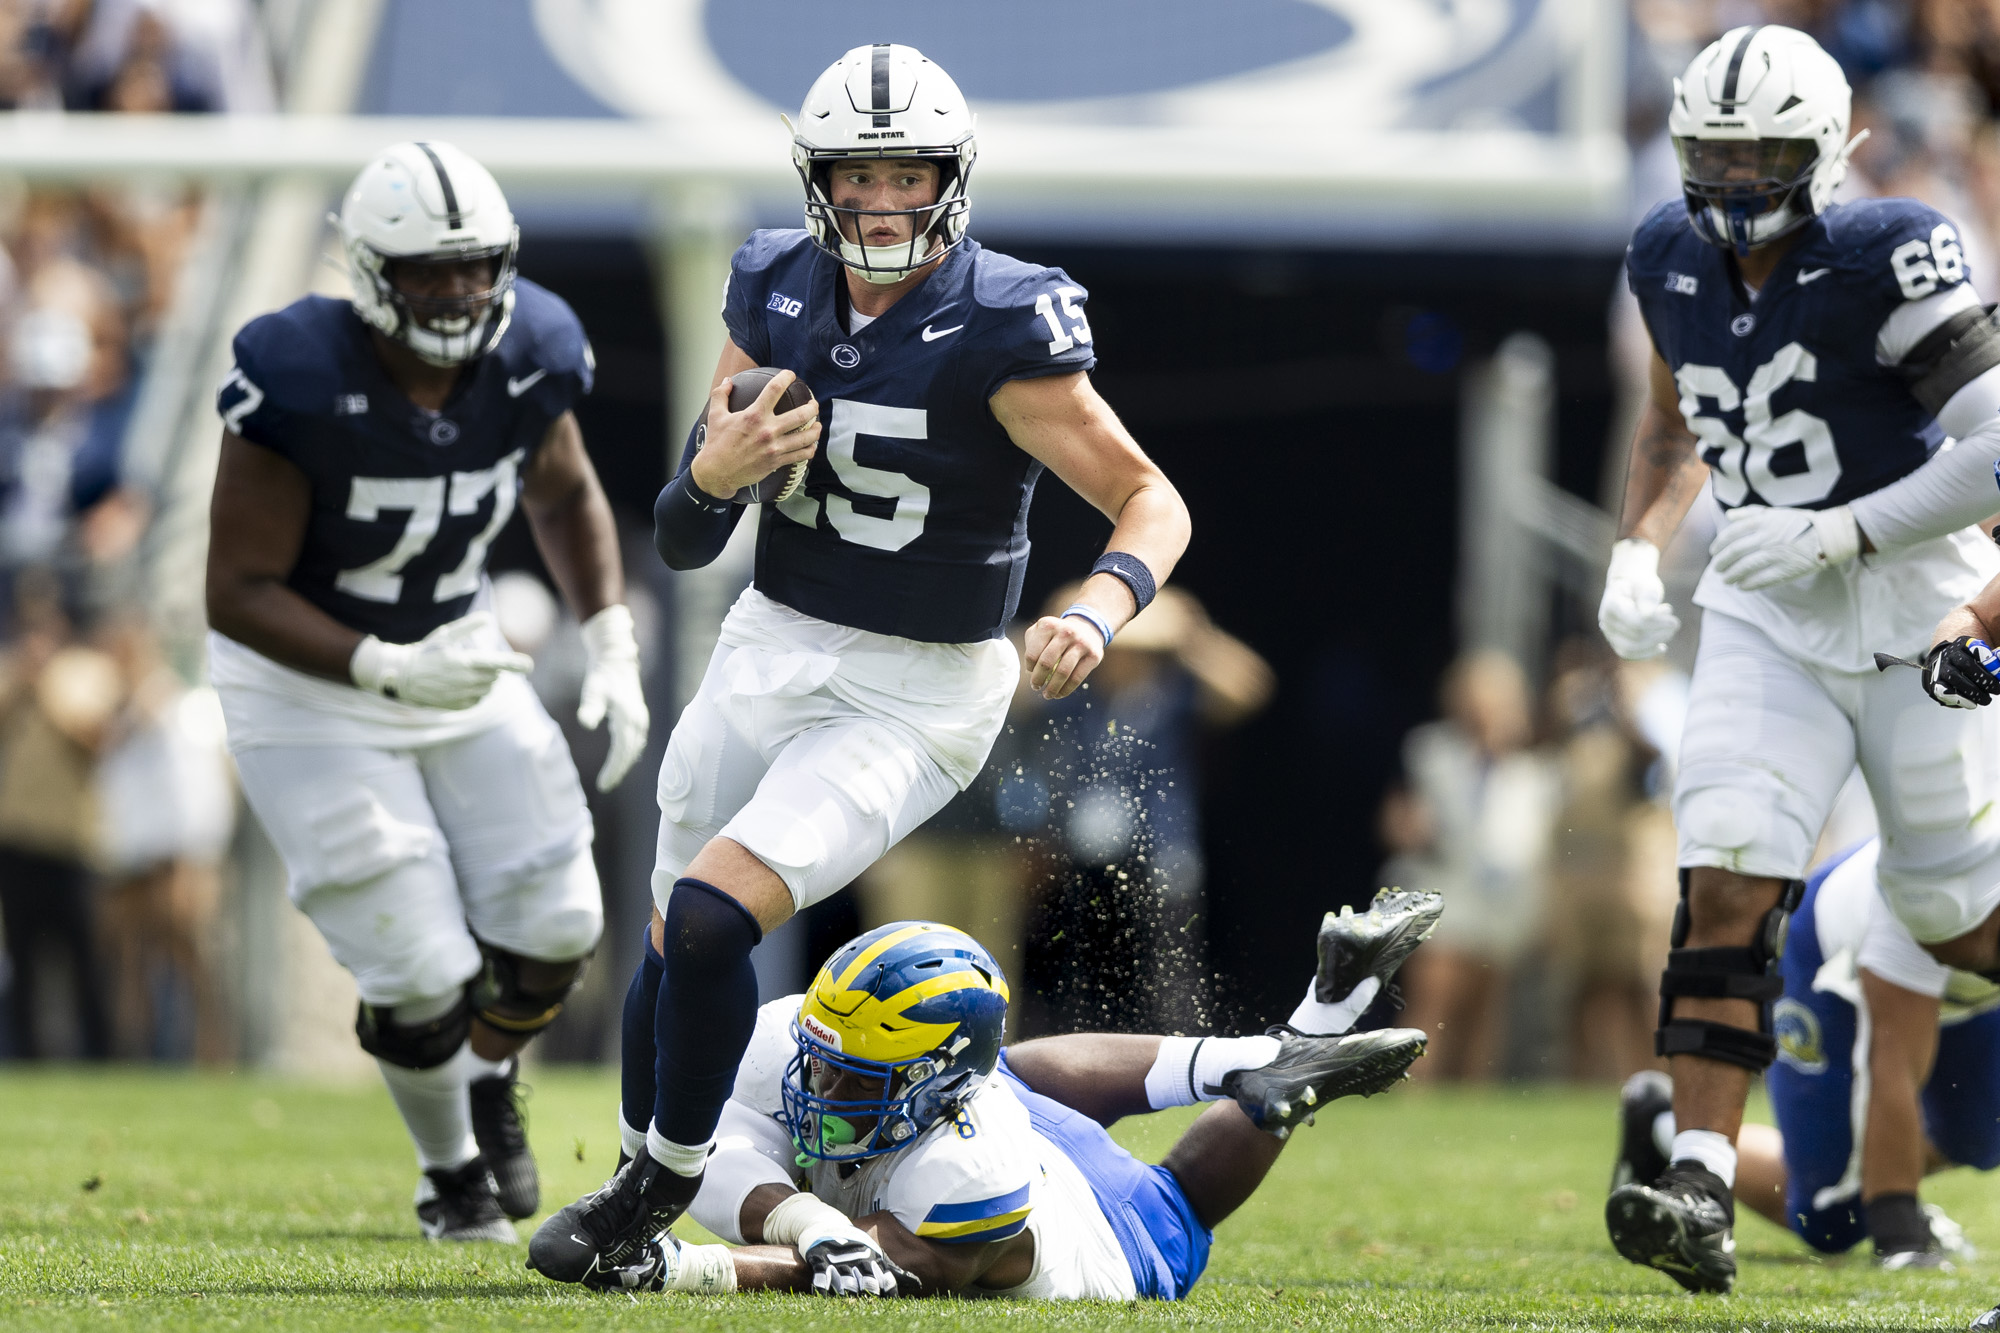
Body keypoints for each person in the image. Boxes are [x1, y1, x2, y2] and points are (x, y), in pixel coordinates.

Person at [528, 43, 1192, 1282]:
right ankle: (639, 1176)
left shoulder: (1003, 317)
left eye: (908, 171)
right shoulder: (774, 286)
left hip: (921, 682)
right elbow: (680, 535)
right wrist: (711, 478)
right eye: (857, 171)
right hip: (773, 638)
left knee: (722, 915)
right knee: (675, 931)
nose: (882, 197)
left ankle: (654, 1189)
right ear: (815, 179)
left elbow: (1149, 499)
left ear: (951, 177)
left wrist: (1098, 609)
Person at [1596, 25, 2000, 1293]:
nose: (1735, 174)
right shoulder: (1662, 252)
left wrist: (1842, 530)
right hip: (1768, 608)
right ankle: (1697, 1181)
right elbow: (1671, 428)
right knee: (1725, 878)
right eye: (1714, 150)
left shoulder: (1891, 248)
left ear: (1828, 146)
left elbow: (1994, 448)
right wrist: (1634, 552)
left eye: (1764, 148)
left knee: (1952, 915)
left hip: (1909, 605)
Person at [204, 141, 650, 1241]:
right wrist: (381, 665)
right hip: (307, 680)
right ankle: (449, 1169)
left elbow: (568, 491)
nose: (455, 293)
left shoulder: (533, 345)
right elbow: (235, 588)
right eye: (426, 271)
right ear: (366, 272)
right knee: (413, 962)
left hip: (455, 648)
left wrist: (608, 636)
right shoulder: (298, 372)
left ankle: (483, 1076)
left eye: (473, 267)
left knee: (558, 924)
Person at [540, 894, 1436, 1300]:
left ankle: (1301, 1045)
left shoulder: (969, 1166)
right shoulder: (803, 1036)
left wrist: (689, 1269)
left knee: (1179, 1202)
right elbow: (723, 1152)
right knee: (1021, 1068)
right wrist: (804, 1223)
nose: (820, 1084)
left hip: (1108, 1236)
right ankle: (1252, 1053)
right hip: (992, 1095)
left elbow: (883, 1267)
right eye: (824, 1057)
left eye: (853, 1074)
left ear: (934, 1081)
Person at [1612, 839, 1993, 1271]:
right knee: (1831, 1218)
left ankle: (1876, 1182)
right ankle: (1660, 1123)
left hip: (1966, 978)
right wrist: (1899, 1230)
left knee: (1981, 1130)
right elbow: (1893, 1068)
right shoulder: (1926, 902)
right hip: (1834, 957)